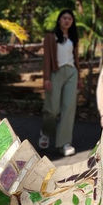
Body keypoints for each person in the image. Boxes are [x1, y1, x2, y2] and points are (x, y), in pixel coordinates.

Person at [39, 9, 80, 157]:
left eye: (70, 18)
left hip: (71, 73)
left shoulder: (73, 37)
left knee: (68, 108)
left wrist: (79, 77)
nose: (67, 21)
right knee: (52, 109)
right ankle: (45, 132)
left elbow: (76, 59)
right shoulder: (51, 37)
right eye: (64, 18)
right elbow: (47, 59)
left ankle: (64, 143)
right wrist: (46, 78)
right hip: (55, 73)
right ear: (59, 20)